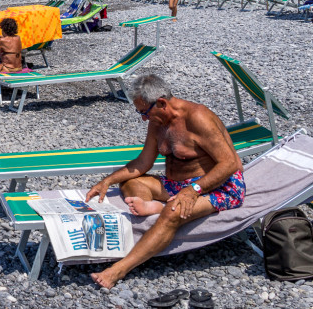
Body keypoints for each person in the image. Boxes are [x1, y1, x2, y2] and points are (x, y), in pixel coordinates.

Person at [86, 74, 245, 289]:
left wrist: (194, 190)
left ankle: (118, 270)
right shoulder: (157, 121)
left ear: (161, 103)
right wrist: (107, 181)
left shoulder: (198, 118)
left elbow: (230, 164)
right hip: (178, 184)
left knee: (173, 212)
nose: (143, 118)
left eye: (144, 112)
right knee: (131, 184)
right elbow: (143, 162)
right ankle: (154, 207)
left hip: (219, 185)